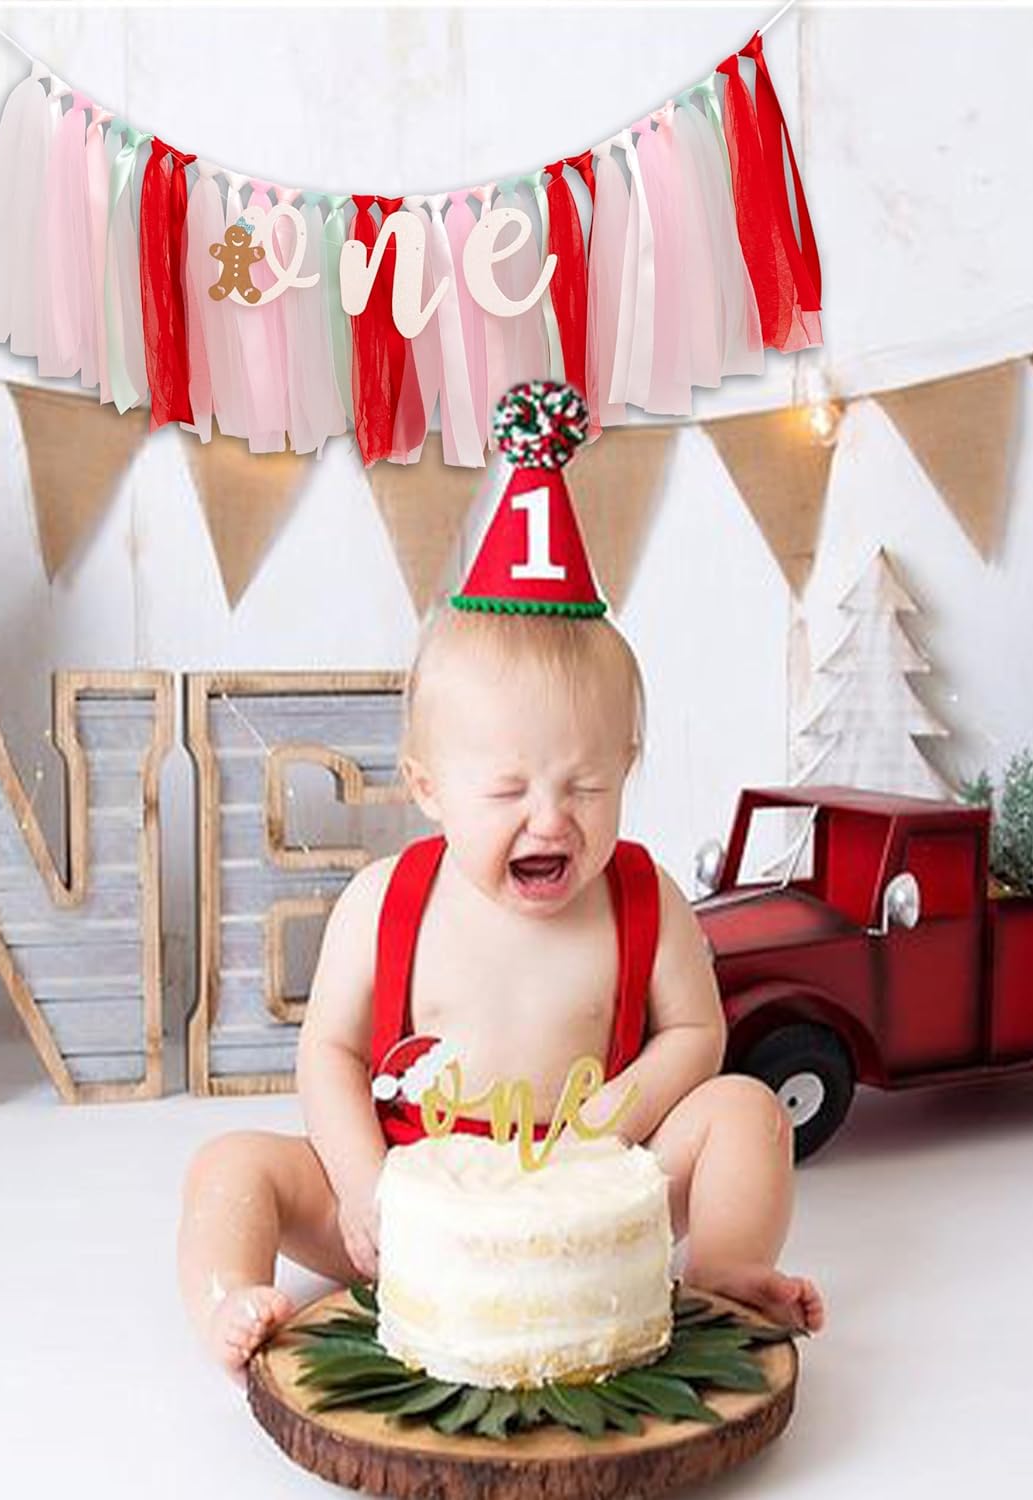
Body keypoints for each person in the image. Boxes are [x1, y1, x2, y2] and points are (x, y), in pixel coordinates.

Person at [178, 383, 825, 1378]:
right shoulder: (387, 901)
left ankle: (728, 1270)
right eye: (510, 789)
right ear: (430, 788)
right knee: (230, 1168)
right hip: (405, 1180)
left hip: (587, 1187)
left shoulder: (644, 902)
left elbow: (697, 1033)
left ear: (630, 765)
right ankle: (231, 1300)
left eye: (587, 784)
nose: (551, 817)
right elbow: (331, 1051)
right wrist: (362, 1188)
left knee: (744, 1112)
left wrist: (618, 1121)